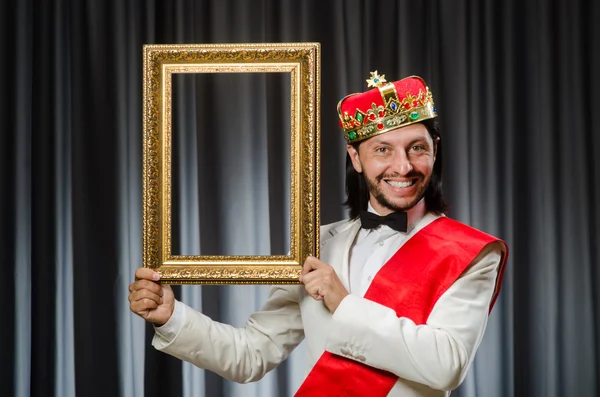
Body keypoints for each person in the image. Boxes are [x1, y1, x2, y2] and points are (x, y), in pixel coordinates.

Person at [129, 72, 508, 397]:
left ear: (435, 152)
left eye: (417, 148)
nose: (403, 166)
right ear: (356, 158)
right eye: (382, 150)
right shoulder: (318, 245)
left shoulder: (472, 252)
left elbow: (446, 365)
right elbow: (251, 354)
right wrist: (170, 317)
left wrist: (342, 303)